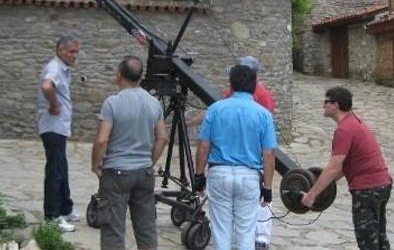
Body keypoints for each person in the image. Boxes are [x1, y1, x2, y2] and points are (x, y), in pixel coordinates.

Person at [186, 56, 276, 249]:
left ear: (231, 84)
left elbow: (203, 146)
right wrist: (267, 188)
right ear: (254, 84)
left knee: (221, 232)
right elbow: (268, 154)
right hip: (249, 176)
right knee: (246, 232)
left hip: (219, 174)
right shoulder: (263, 115)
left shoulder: (215, 110)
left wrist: (199, 176)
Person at [91, 55, 169, 250]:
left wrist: (96, 165)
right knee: (146, 228)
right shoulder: (153, 103)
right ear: (140, 77)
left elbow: (102, 139)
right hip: (143, 172)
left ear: (119, 75)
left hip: (116, 171)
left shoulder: (112, 103)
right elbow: (162, 137)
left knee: (113, 230)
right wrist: (149, 161)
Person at [301, 86, 393, 250]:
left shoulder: (344, 130)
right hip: (382, 185)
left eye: (326, 102)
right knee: (379, 238)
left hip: (368, 189)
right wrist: (323, 184)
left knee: (367, 241)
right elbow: (345, 165)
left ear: (335, 105)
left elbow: (334, 168)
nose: (323, 105)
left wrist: (311, 195)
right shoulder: (355, 122)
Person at [37, 34, 81, 233]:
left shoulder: (62, 69)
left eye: (76, 51)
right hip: (52, 126)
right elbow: (47, 86)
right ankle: (52, 217)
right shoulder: (54, 68)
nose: (75, 55)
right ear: (60, 50)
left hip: (59, 127)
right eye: (72, 51)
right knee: (55, 171)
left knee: (61, 167)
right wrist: (54, 104)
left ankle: (66, 208)